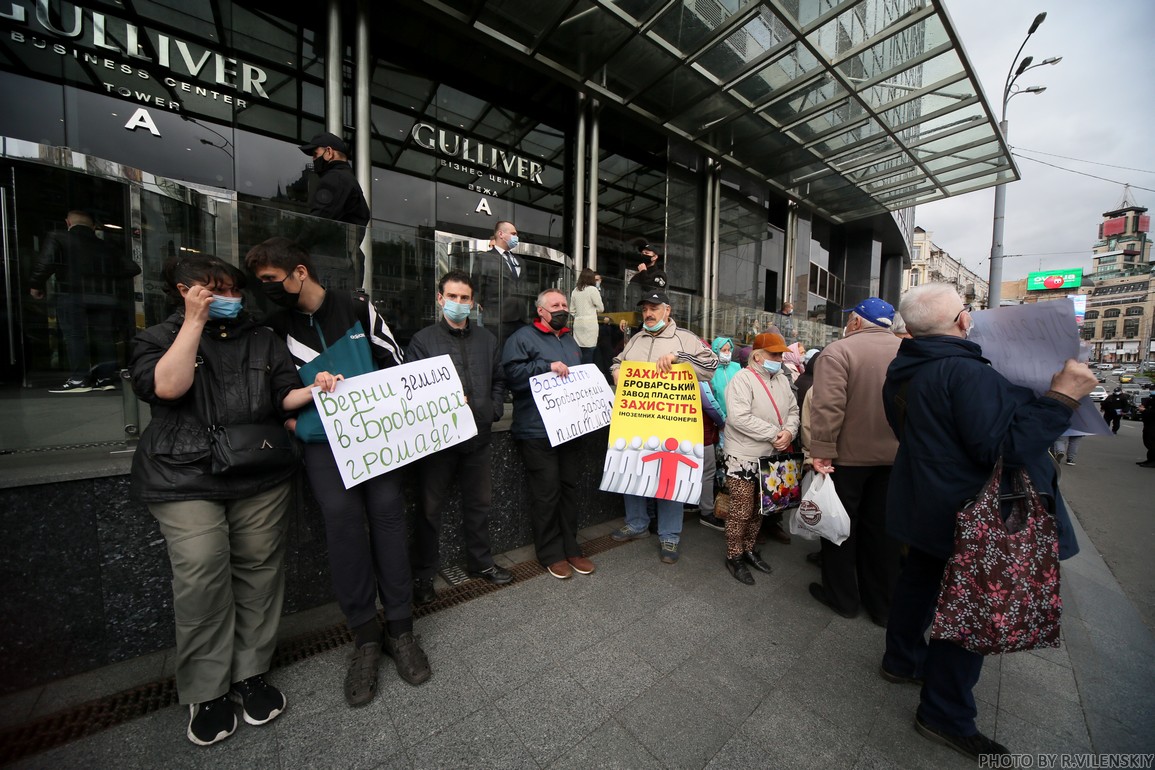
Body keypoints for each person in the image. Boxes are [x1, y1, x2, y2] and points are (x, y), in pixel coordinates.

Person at [880, 282, 1096, 760]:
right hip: (970, 516)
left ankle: (901, 660)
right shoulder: (965, 372)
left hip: (929, 506)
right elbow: (1005, 450)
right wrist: (1061, 399)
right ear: (961, 322)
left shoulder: (906, 366)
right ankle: (943, 713)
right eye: (967, 310)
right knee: (971, 609)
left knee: (920, 582)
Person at [129, 255, 325, 746]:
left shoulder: (263, 338)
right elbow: (167, 387)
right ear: (182, 290)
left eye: (232, 289)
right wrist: (193, 324)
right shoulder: (157, 337)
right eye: (211, 289)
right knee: (202, 571)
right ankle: (207, 689)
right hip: (184, 474)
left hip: (259, 470)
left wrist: (317, 388)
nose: (226, 298)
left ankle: (250, 673)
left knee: (260, 570)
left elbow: (283, 395)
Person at [244, 237, 429, 707]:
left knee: (389, 524)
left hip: (377, 440)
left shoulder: (357, 308)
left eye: (272, 280)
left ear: (299, 271)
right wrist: (294, 414)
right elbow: (277, 390)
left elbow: (397, 364)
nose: (266, 289)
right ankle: (365, 639)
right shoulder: (274, 328)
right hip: (323, 449)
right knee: (344, 535)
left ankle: (402, 631)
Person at [406, 270, 512, 604]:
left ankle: (481, 564)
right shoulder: (423, 340)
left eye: (464, 298)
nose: (458, 303)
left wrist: (493, 409)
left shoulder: (487, 339)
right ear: (440, 299)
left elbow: (499, 380)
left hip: (478, 437)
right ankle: (422, 577)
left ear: (473, 302)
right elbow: (412, 390)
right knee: (428, 510)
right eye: (452, 297)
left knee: (479, 505)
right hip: (439, 443)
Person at [808, 297, 902, 626]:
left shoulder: (839, 351)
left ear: (857, 322)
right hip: (894, 460)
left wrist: (821, 451)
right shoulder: (906, 350)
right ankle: (883, 607)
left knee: (839, 528)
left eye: (850, 319)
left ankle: (843, 598)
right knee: (882, 532)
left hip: (847, 459)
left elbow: (828, 407)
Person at [609, 290, 719, 564]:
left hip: (672, 423)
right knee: (633, 469)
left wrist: (679, 357)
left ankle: (670, 535)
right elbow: (617, 362)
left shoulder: (686, 338)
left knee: (669, 479)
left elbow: (712, 365)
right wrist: (616, 372)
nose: (649, 313)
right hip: (636, 421)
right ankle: (637, 523)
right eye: (645, 308)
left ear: (667, 310)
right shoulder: (636, 339)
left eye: (654, 308)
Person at [502, 288, 594, 579]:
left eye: (564, 304)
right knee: (547, 493)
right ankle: (551, 553)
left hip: (569, 430)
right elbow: (511, 376)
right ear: (540, 310)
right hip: (536, 431)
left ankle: (571, 547)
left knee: (569, 489)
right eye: (555, 305)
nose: (561, 308)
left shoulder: (569, 339)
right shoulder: (521, 339)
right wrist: (546, 367)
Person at [28, 210, 141, 392]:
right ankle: (105, 379)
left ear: (68, 222)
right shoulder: (105, 245)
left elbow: (45, 262)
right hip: (104, 296)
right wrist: (106, 277)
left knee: (75, 336)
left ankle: (79, 379)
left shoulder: (58, 237)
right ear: (93, 227)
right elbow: (132, 268)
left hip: (72, 293)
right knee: (104, 337)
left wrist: (36, 284)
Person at [720, 332, 800, 584]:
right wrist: (776, 433)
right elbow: (739, 417)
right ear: (757, 355)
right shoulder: (742, 379)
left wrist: (789, 431)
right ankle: (734, 555)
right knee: (741, 510)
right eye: (774, 354)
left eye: (781, 354)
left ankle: (749, 549)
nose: (780, 358)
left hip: (771, 457)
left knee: (760, 509)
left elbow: (794, 411)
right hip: (743, 456)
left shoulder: (782, 380)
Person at [298, 132, 370, 284]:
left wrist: (291, 249)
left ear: (329, 152)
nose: (313, 159)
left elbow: (317, 221)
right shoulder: (349, 181)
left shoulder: (335, 179)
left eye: (315, 154)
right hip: (344, 265)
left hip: (330, 265)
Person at [701, 336, 742, 531]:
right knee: (717, 466)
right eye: (722, 349)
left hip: (738, 423)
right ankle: (718, 505)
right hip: (720, 425)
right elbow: (711, 401)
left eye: (728, 349)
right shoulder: (709, 371)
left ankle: (727, 506)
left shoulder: (736, 368)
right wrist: (722, 420)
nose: (726, 353)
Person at [476, 220, 536, 354]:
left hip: (521, 318)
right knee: (498, 355)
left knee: (519, 353)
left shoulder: (520, 261)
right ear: (501, 234)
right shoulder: (484, 258)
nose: (516, 237)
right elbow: (479, 286)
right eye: (513, 233)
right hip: (498, 319)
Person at [569, 268, 604, 365]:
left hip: (578, 323)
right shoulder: (593, 290)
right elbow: (601, 308)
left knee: (579, 352)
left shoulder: (575, 291)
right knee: (589, 352)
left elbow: (571, 310)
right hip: (590, 325)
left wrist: (579, 315)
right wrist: (592, 311)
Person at [1139, 392, 1155, 467]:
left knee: (1152, 444)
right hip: (1148, 424)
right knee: (1147, 442)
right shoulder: (1151, 400)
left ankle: (1153, 461)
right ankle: (1149, 460)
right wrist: (1143, 408)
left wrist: (1145, 410)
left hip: (1153, 426)